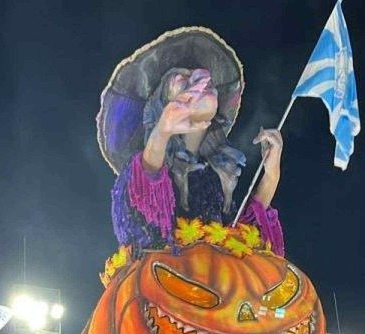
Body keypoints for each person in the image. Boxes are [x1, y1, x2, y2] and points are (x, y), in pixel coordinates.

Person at [102, 28, 286, 254]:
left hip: (215, 284)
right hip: (165, 282)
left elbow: (239, 235)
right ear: (164, 103)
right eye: (184, 79)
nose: (202, 78)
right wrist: (161, 132)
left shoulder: (216, 175)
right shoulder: (143, 169)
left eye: (205, 79)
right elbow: (144, 202)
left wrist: (271, 175)